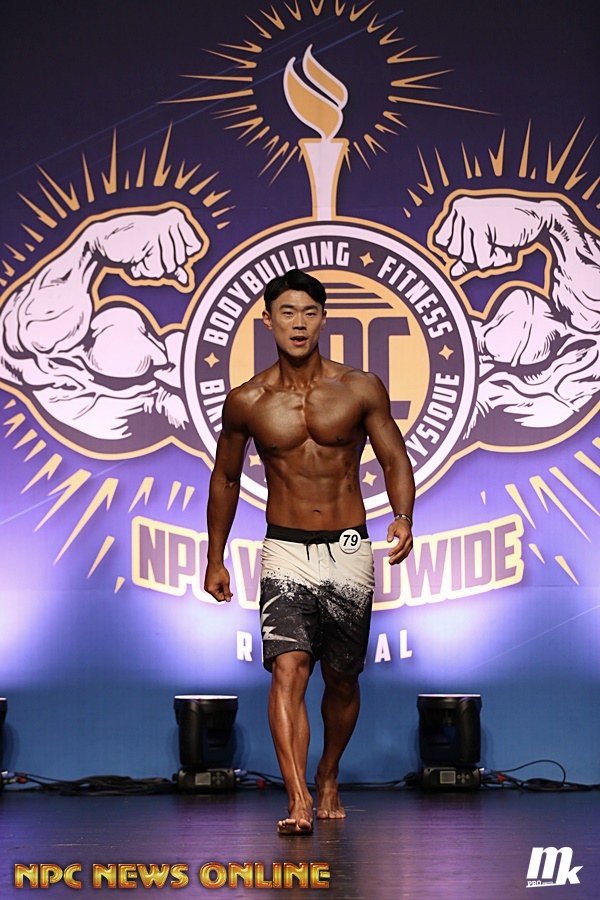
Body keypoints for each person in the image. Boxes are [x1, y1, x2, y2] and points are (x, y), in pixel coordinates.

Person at [203, 268, 415, 835]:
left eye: (309, 312)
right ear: (268, 320)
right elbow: (225, 478)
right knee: (288, 668)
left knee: (342, 678)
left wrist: (402, 516)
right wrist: (215, 556)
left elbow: (394, 457)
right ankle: (297, 798)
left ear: (323, 319)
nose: (298, 323)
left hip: (348, 546)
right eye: (287, 313)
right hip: (285, 548)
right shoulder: (247, 400)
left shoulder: (359, 387)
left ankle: (327, 773)